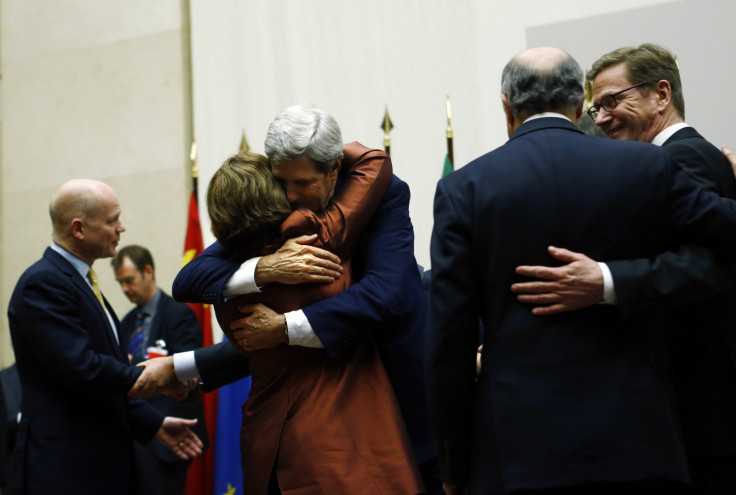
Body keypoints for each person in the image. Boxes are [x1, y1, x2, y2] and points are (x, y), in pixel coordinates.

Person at [426, 46, 736, 495]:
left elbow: (448, 342)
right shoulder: (645, 165)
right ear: (578, 102)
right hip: (636, 444)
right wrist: (614, 282)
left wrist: (452, 463)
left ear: (506, 105)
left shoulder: (463, 189)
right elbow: (724, 243)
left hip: (517, 451)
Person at [130, 104, 439, 493]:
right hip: (322, 432)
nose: (292, 196)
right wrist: (265, 269)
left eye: (303, 183)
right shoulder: (281, 220)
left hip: (405, 406)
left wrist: (282, 328)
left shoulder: (381, 195)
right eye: (282, 182)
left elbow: (385, 295)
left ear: (334, 169)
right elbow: (193, 278)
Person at [199, 150, 423, 494]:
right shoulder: (313, 242)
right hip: (336, 444)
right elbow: (373, 164)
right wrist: (324, 153)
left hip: (265, 442)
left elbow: (187, 278)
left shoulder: (223, 282)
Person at [6, 179, 203, 495]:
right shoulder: (43, 284)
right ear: (78, 229)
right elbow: (81, 369)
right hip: (68, 470)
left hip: (98, 464)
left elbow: (97, 387)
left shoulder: (79, 281)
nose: (121, 228)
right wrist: (152, 377)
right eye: (112, 220)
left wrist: (152, 423)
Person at [112, 245, 208, 495]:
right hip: (135, 436)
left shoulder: (179, 314)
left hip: (169, 436)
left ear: (148, 271)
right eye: (120, 282)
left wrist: (135, 365)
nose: (125, 289)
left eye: (129, 280)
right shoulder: (127, 323)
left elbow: (189, 372)